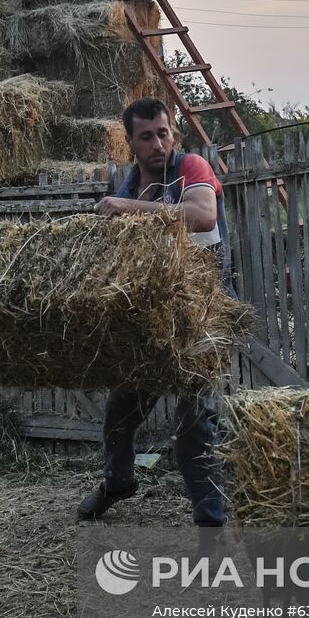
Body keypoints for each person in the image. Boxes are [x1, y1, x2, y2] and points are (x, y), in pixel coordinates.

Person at [77, 97, 232, 527]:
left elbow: (202, 216)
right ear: (130, 142)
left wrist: (131, 210)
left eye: (163, 133)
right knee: (120, 415)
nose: (157, 143)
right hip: (148, 320)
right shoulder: (128, 187)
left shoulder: (191, 169)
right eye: (146, 136)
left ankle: (210, 525)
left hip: (200, 316)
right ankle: (119, 482)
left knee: (193, 423)